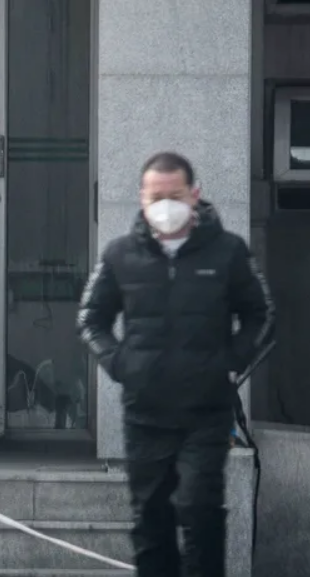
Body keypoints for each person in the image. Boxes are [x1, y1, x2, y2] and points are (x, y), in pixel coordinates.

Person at [77, 152, 274, 577]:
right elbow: (91, 319)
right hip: (145, 413)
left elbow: (261, 315)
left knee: (200, 508)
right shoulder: (120, 255)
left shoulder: (228, 251)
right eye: (156, 197)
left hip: (206, 411)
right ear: (142, 198)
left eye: (175, 195)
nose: (166, 205)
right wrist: (120, 364)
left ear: (194, 194)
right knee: (150, 517)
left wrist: (231, 362)